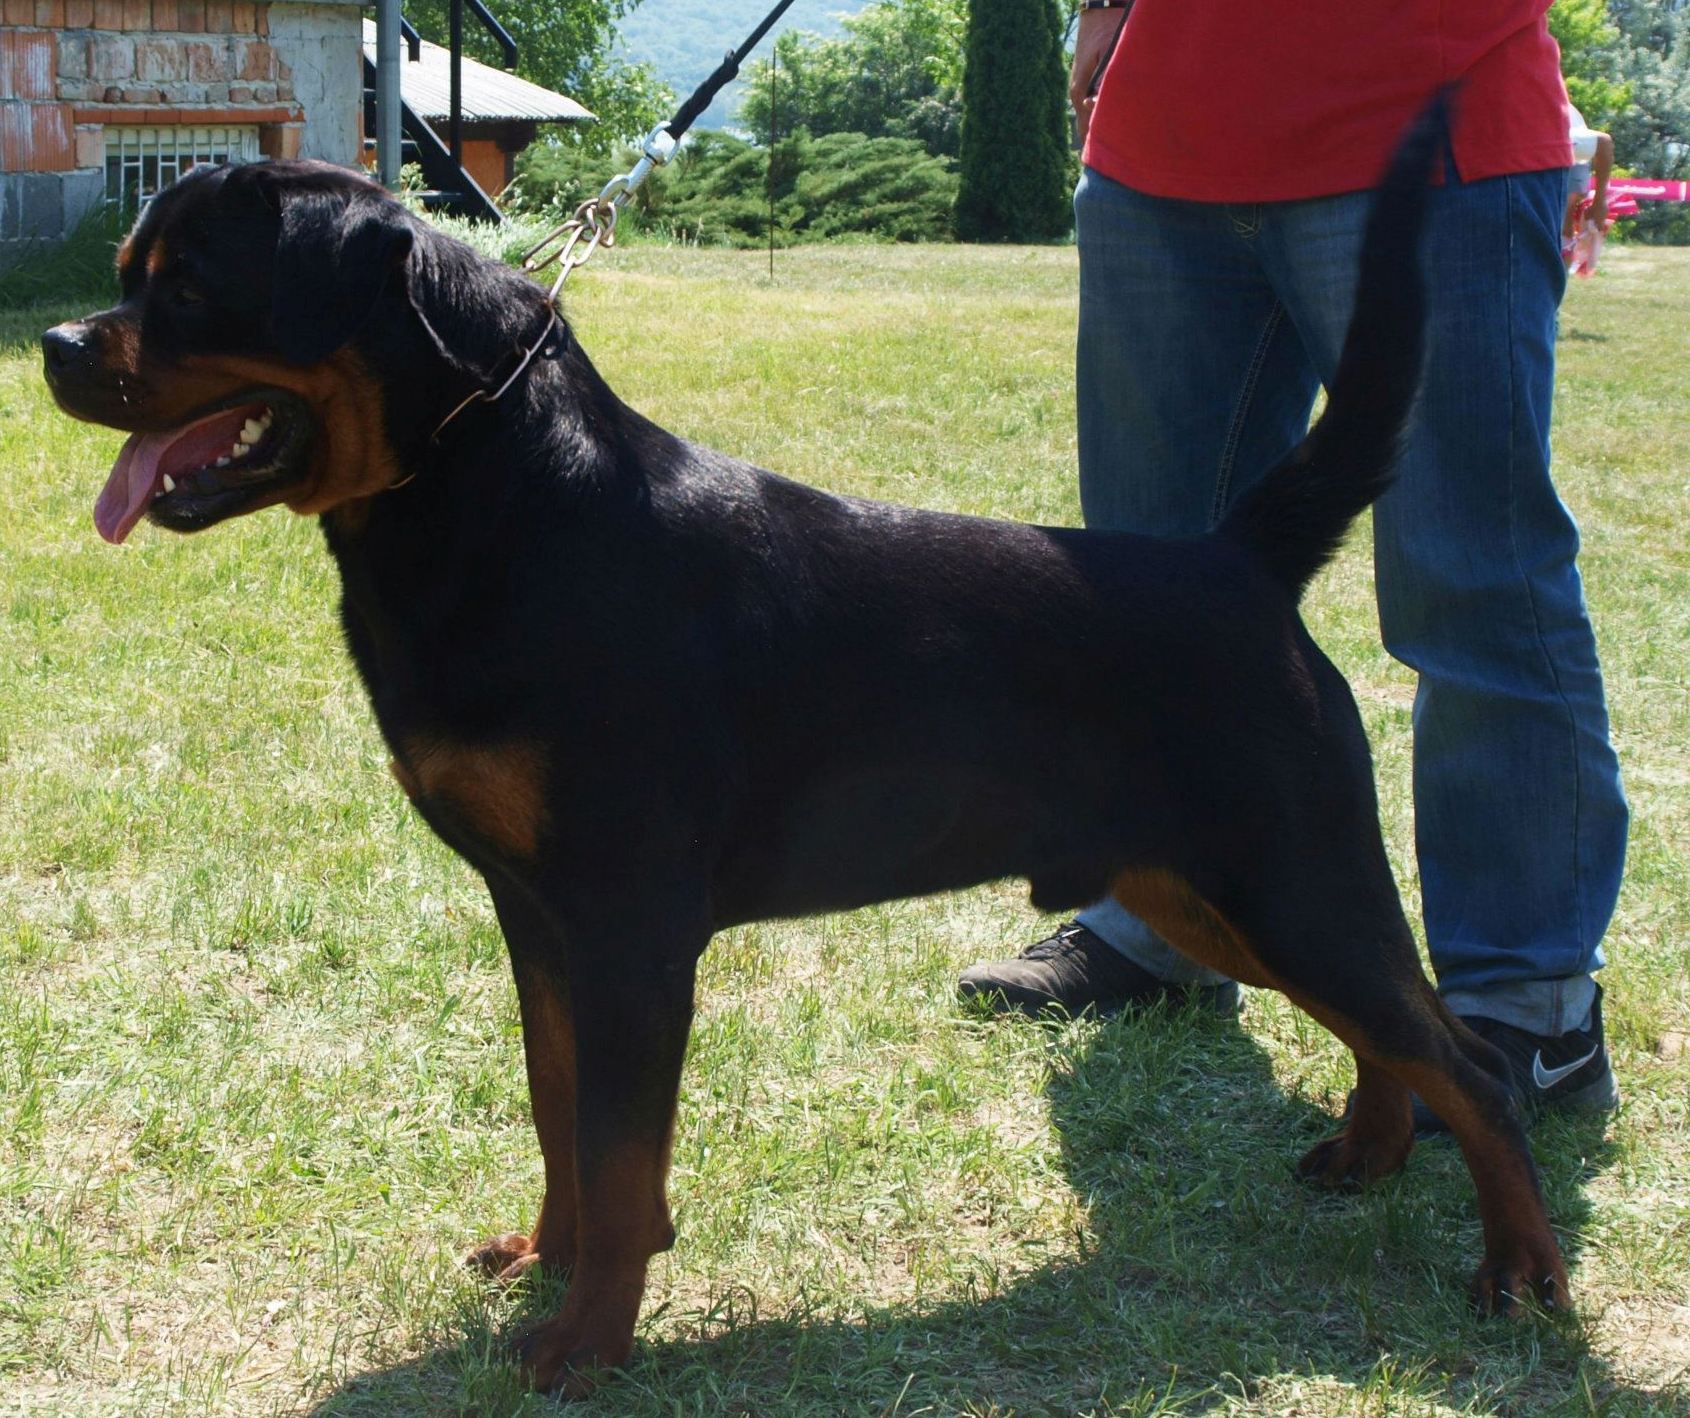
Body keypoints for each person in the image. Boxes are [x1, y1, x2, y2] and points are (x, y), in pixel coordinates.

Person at [958, 0, 1627, 1126]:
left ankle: (1529, 1004)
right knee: (1149, 598)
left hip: (1438, 132)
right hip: (1160, 153)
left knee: (1470, 586)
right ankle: (1165, 923)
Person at [1564, 103, 1615, 276]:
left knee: (1564, 217)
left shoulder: (1567, 129)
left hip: (1568, 142)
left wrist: (1599, 202)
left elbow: (1603, 142)